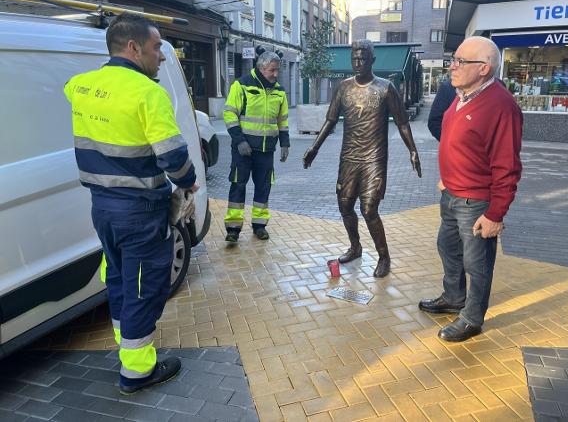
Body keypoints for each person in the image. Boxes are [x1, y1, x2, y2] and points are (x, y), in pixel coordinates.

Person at [64, 13, 198, 394]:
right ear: (133, 47)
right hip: (140, 211)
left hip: (102, 208)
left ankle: (130, 351)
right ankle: (138, 372)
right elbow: (173, 156)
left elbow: (69, 89)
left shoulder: (81, 86)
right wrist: (189, 183)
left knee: (121, 279)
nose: (163, 57)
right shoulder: (147, 93)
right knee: (144, 287)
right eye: (157, 48)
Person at [419, 36, 523, 342]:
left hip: (476, 202)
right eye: (454, 59)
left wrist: (495, 214)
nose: (452, 66)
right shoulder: (462, 95)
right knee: (447, 247)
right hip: (451, 195)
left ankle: (472, 318)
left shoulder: (501, 106)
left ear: (484, 68)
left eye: (461, 61)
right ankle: (453, 296)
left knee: (477, 263)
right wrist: (448, 178)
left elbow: (507, 167)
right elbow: (460, 143)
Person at [303, 40, 422, 278]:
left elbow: (402, 122)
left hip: (374, 158)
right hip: (349, 157)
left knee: (369, 209)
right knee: (345, 206)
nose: (358, 63)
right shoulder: (343, 88)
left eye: (363, 59)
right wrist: (314, 148)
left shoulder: (386, 88)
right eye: (355, 59)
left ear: (372, 61)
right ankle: (355, 247)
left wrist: (413, 150)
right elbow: (331, 120)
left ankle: (384, 256)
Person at [223, 51, 290, 242]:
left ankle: (259, 226)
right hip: (243, 150)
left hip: (266, 150)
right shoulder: (242, 85)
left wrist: (285, 144)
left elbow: (282, 120)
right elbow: (229, 114)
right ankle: (233, 229)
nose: (276, 74)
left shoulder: (279, 91)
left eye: (277, 70)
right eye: (272, 70)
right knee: (238, 186)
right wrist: (240, 141)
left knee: (263, 187)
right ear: (261, 68)